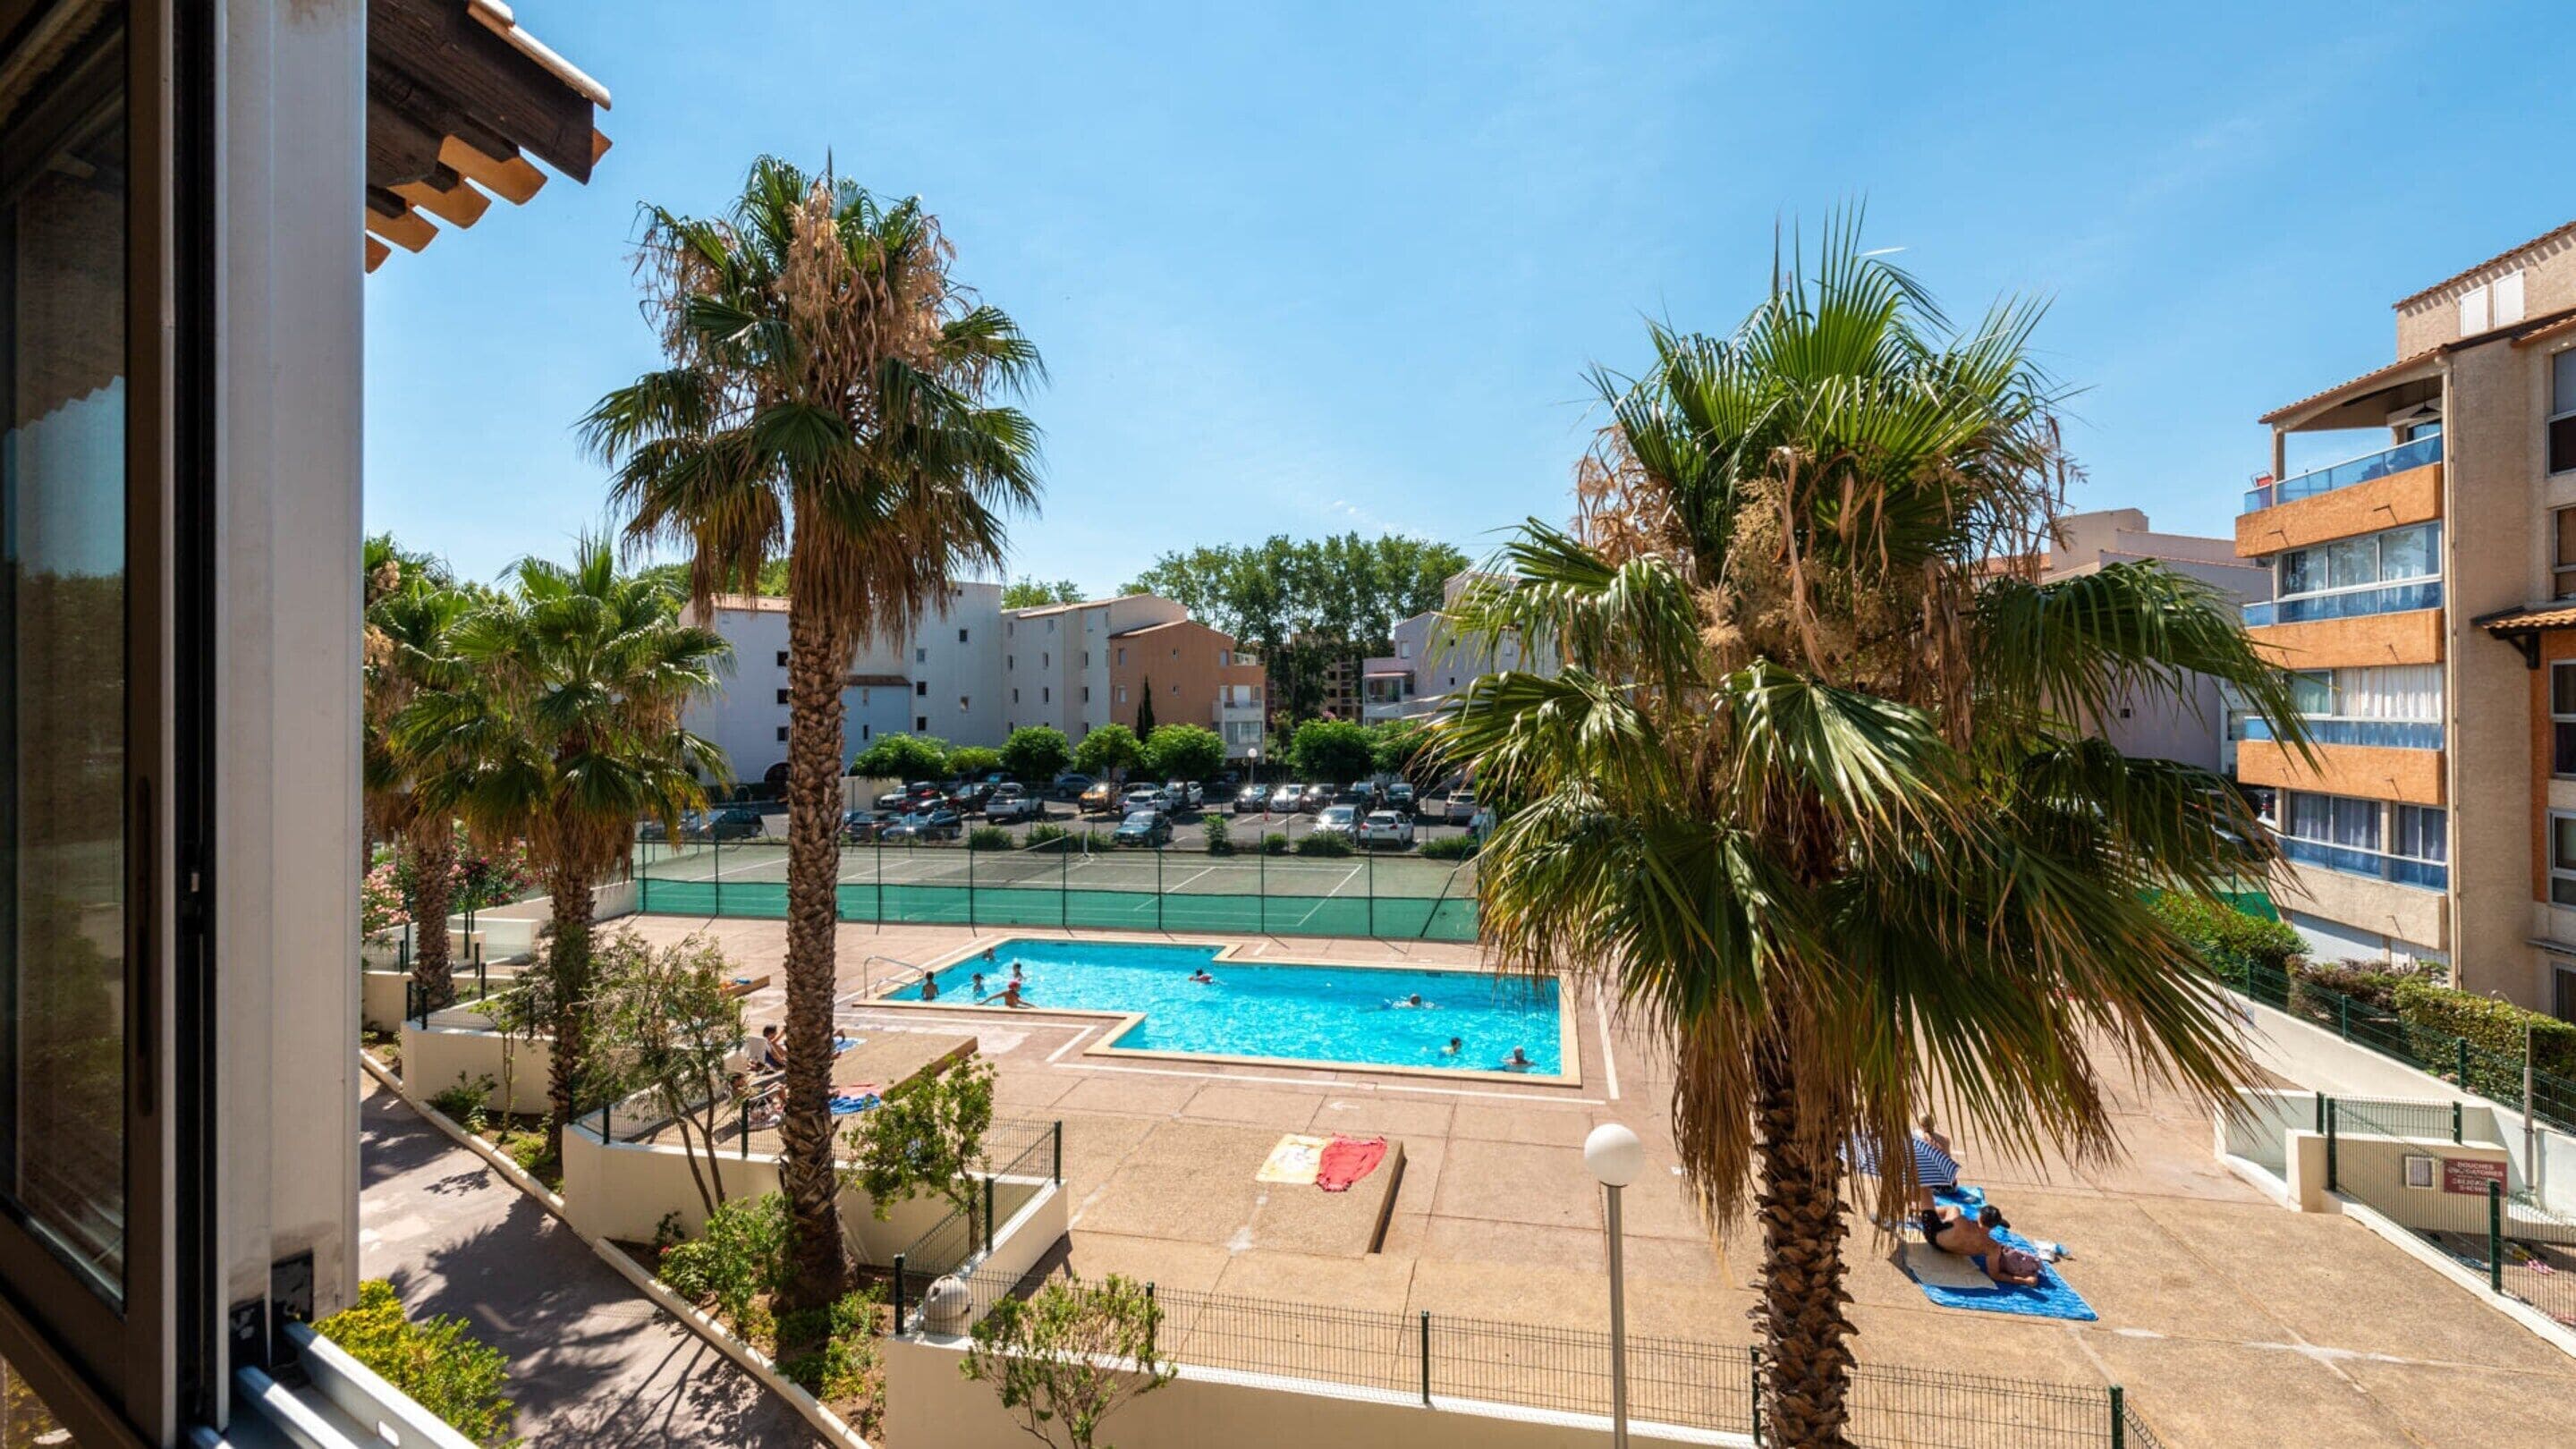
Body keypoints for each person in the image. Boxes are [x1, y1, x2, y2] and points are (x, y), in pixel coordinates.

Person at [1918, 1203, 2039, 1287]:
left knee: (1953, 1208)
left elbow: (1944, 1222)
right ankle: (1996, 1221)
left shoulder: (1962, 1221)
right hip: (1950, 1250)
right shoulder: (1992, 1247)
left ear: (1980, 1216)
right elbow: (1995, 1275)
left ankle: (1916, 1208)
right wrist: (2024, 1281)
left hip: (1933, 1238)